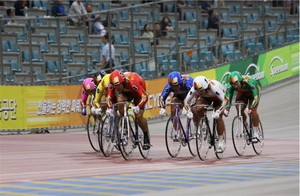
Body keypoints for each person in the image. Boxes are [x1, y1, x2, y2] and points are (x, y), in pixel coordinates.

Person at [106, 70, 151, 150]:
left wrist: (138, 106)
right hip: (125, 94)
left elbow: (144, 96)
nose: (117, 88)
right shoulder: (112, 85)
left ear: (123, 82)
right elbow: (109, 97)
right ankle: (124, 124)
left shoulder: (132, 83)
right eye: (115, 87)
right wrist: (109, 108)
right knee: (119, 101)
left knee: (139, 115)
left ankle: (146, 135)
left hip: (137, 93)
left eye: (118, 86)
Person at [183, 76, 229, 152]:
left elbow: (226, 100)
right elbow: (186, 101)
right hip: (205, 97)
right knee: (198, 108)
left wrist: (218, 111)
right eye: (197, 91)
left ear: (206, 86)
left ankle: (221, 141)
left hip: (217, 98)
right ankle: (204, 123)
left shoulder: (214, 87)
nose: (199, 92)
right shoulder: (195, 89)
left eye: (201, 90)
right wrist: (188, 111)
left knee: (218, 118)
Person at [225, 71, 261, 141]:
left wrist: (251, 107)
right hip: (242, 93)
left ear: (241, 81)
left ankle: (256, 132)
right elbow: (228, 98)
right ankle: (245, 124)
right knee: (239, 109)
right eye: (233, 85)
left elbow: (256, 97)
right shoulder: (230, 85)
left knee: (253, 111)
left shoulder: (249, 82)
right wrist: (227, 109)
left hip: (253, 94)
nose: (235, 86)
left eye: (237, 84)